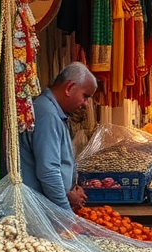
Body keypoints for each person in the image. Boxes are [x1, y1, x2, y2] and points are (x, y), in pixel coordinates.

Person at [19, 62, 98, 212]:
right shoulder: (48, 115)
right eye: (85, 96)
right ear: (69, 88)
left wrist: (69, 192)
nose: (86, 104)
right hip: (39, 209)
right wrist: (67, 216)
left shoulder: (54, 113)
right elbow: (48, 172)